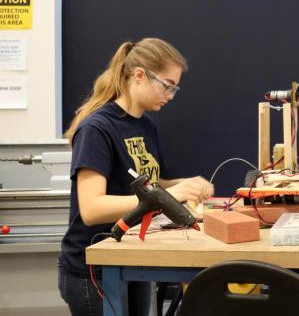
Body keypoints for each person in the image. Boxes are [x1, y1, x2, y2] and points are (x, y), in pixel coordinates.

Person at [58, 38, 214, 316]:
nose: (170, 95)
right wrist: (166, 197)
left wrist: (183, 186)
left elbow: (148, 186)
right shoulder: (98, 128)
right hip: (93, 269)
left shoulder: (145, 126)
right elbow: (92, 209)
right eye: (167, 85)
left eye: (175, 88)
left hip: (131, 256)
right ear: (140, 75)